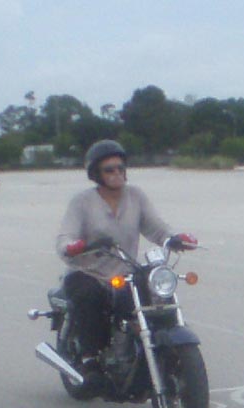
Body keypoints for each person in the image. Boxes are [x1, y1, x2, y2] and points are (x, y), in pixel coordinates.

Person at [55, 140, 197, 380]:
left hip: (125, 272)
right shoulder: (82, 202)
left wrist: (174, 239)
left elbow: (156, 228)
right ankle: (90, 360)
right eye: (109, 169)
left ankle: (154, 349)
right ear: (96, 174)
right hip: (88, 272)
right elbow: (64, 237)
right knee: (89, 297)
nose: (117, 173)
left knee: (153, 297)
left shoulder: (135, 196)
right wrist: (73, 246)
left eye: (120, 168)